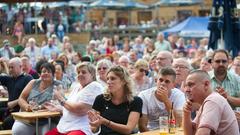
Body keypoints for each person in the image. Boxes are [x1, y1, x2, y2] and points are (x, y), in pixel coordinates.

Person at [45, 62, 104, 135]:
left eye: (83, 72)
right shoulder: (77, 86)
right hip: (65, 126)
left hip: (82, 128)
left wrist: (61, 99)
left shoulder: (95, 86)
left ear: (92, 74)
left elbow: (80, 109)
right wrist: (59, 108)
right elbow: (70, 105)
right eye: (78, 72)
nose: (80, 74)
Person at [88, 66, 143, 135]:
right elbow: (94, 130)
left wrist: (106, 122)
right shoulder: (100, 99)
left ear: (123, 81)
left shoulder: (135, 101)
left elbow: (128, 130)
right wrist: (94, 125)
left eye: (112, 79)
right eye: (107, 79)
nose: (108, 82)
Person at [183, 70, 239, 135]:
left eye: (190, 85)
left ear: (206, 85)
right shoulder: (207, 101)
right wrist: (186, 113)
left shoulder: (213, 101)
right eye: (186, 86)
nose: (186, 90)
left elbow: (203, 133)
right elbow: (190, 133)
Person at [12, 62, 61, 135]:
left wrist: (40, 107)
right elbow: (21, 98)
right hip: (28, 119)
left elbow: (58, 102)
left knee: (47, 133)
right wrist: (27, 107)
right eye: (44, 71)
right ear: (40, 74)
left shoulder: (57, 85)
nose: (46, 73)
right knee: (18, 131)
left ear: (53, 74)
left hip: (47, 120)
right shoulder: (33, 82)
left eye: (49, 72)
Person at [138, 67, 185, 132]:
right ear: (156, 81)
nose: (163, 83)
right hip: (150, 132)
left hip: (171, 132)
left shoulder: (179, 95)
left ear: (173, 85)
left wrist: (166, 100)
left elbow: (179, 122)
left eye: (167, 81)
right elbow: (142, 126)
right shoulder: (144, 95)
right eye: (161, 80)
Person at [0, 57, 32, 129]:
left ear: (20, 67)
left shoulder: (27, 78)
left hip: (20, 111)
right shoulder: (9, 78)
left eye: (12, 67)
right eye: (9, 67)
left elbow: (31, 96)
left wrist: (15, 102)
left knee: (6, 123)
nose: (10, 70)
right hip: (9, 110)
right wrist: (3, 64)